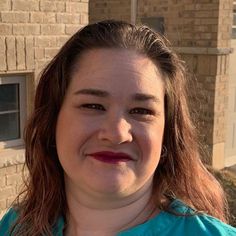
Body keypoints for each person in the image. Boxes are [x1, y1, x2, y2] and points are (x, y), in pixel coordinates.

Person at [0, 20, 235, 236]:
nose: (116, 134)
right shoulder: (15, 227)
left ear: (167, 134)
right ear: (52, 121)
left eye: (141, 111)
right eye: (93, 105)